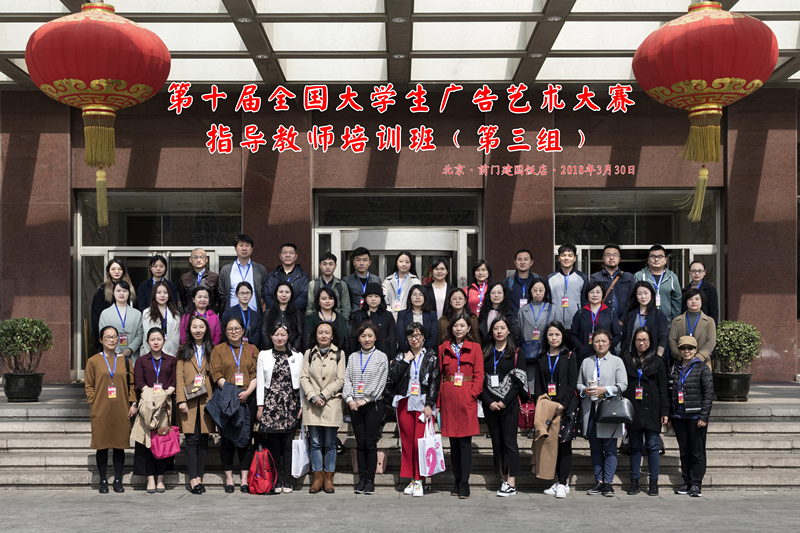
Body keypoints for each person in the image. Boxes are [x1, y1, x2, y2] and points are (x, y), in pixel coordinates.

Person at [387, 321, 439, 498]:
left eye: (417, 335)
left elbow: (434, 382)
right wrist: (405, 361)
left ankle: (420, 480)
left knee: (420, 443)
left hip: (423, 403)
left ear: (423, 336)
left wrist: (430, 404)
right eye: (411, 336)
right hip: (405, 401)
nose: (414, 339)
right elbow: (393, 377)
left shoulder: (431, 356)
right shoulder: (401, 355)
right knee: (407, 444)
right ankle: (411, 479)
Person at [85, 325, 137, 494]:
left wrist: (133, 404)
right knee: (101, 445)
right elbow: (89, 386)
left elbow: (132, 384)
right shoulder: (93, 361)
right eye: (107, 337)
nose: (112, 340)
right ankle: (103, 480)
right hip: (101, 409)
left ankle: (118, 480)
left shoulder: (125, 361)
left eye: (114, 337)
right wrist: (93, 403)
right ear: (101, 340)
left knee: (119, 445)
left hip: (121, 408)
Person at [437, 312, 484, 499]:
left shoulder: (475, 347)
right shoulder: (443, 348)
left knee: (465, 443)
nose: (459, 329)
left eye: (462, 325)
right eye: (456, 326)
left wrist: (473, 394)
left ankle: (465, 482)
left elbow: (479, 374)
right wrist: (438, 401)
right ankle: (456, 481)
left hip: (466, 396)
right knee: (453, 444)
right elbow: (439, 375)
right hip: (448, 397)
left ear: (468, 328)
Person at [209, 316, 258, 493]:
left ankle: (244, 480)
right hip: (227, 398)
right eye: (230, 329)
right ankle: (229, 480)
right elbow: (216, 374)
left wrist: (247, 393)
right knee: (227, 439)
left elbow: (256, 374)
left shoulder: (252, 349)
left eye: (237, 328)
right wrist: (232, 392)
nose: (234, 332)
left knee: (246, 439)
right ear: (225, 332)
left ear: (243, 330)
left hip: (248, 397)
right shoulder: (218, 350)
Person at [577, 329, 627, 497]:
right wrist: (584, 390)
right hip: (590, 409)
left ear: (610, 343)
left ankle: (608, 483)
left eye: (603, 341)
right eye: (597, 341)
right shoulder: (586, 362)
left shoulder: (617, 361)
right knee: (595, 447)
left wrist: (604, 389)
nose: (600, 344)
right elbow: (578, 383)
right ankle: (598, 480)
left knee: (610, 447)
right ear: (592, 343)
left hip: (609, 409)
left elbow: (623, 385)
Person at [480, 316, 526, 497]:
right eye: (495, 328)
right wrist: (489, 401)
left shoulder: (517, 353)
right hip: (490, 405)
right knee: (496, 442)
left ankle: (511, 482)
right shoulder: (485, 352)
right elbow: (480, 380)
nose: (499, 331)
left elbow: (518, 382)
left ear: (508, 331)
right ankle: (503, 476)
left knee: (509, 442)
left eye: (502, 328)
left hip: (509, 404)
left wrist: (504, 401)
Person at [256, 323, 303, 494]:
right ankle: (276, 480)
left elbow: (302, 382)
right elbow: (260, 381)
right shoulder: (264, 355)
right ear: (270, 336)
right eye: (276, 334)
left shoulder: (297, 356)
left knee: (288, 444)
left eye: (283, 334)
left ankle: (288, 480)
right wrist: (260, 406)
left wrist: (302, 405)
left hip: (290, 403)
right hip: (271, 404)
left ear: (288, 336)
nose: (280, 338)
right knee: (274, 445)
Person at [622, 327, 669, 496]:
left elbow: (663, 388)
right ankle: (634, 481)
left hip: (653, 409)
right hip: (633, 408)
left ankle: (653, 482)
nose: (641, 343)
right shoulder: (627, 359)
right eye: (638, 340)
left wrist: (665, 411)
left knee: (653, 446)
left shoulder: (658, 361)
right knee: (634, 446)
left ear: (650, 342)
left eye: (644, 340)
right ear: (634, 342)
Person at [533, 321, 578, 499]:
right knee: (551, 445)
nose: (554, 338)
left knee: (564, 445)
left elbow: (572, 382)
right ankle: (558, 482)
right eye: (550, 334)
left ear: (563, 336)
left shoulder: (569, 356)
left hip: (565, 408)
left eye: (557, 334)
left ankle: (563, 483)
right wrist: (543, 404)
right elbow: (538, 385)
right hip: (548, 408)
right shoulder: (541, 358)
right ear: (546, 337)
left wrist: (562, 404)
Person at [344, 321, 389, 495]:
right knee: (360, 443)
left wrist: (365, 399)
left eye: (370, 335)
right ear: (359, 338)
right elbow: (348, 378)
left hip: (373, 405)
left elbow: (380, 382)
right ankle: (361, 480)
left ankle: (370, 480)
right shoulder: (353, 357)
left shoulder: (381, 357)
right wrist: (349, 399)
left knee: (370, 443)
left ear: (375, 337)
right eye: (363, 336)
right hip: (355, 405)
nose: (367, 339)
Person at [301, 322, 346, 494]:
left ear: (332, 335)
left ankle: (328, 479)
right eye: (320, 332)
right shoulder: (309, 353)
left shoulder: (340, 354)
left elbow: (340, 380)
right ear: (316, 335)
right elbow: (304, 377)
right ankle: (317, 478)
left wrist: (324, 395)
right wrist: (313, 396)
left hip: (331, 403)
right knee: (315, 442)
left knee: (330, 443)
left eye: (327, 332)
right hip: (312, 404)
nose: (324, 335)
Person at [132, 328, 177, 494]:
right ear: (147, 342)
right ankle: (150, 478)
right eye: (152, 339)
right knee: (147, 443)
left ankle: (160, 479)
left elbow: (174, 382)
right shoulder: (141, 361)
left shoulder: (171, 360)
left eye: (159, 339)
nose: (156, 342)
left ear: (164, 340)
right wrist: (153, 397)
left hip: (165, 406)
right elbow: (139, 382)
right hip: (147, 405)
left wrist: (163, 396)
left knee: (162, 442)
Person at [669, 336, 714, 497]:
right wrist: (670, 415)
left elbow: (709, 393)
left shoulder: (702, 368)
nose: (686, 351)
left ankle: (696, 483)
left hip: (696, 417)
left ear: (695, 350)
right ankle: (686, 481)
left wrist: (704, 416)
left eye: (690, 348)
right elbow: (670, 392)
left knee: (697, 452)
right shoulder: (674, 368)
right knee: (684, 451)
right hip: (679, 416)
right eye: (683, 348)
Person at [176, 315, 215, 494]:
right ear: (189, 330)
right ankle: (193, 480)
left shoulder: (212, 350)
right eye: (194, 327)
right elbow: (179, 378)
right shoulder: (183, 351)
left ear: (206, 329)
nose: (198, 330)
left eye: (201, 327)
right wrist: (180, 400)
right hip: (189, 400)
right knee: (191, 440)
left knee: (204, 440)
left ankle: (199, 477)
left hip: (207, 400)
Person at [569, 280, 622, 364]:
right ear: (587, 294)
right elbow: (573, 334)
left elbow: (617, 335)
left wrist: (606, 346)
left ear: (602, 294)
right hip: (584, 354)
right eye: (592, 292)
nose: (595, 295)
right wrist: (581, 347)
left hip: (605, 354)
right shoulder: (580, 313)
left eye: (598, 292)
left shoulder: (610, 313)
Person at [90, 259, 137, 349]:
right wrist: (99, 338)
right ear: (108, 272)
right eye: (113, 269)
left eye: (119, 269)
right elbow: (96, 315)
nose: (116, 271)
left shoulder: (130, 288)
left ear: (123, 271)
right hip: (109, 337)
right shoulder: (102, 289)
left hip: (129, 338)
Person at [218, 234, 268, 314]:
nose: (244, 248)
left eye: (247, 246)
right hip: (232, 315)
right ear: (235, 248)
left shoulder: (260, 269)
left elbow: (264, 292)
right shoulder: (226, 270)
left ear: (252, 249)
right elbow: (222, 293)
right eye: (241, 245)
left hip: (254, 314)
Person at [669, 288, 717, 371]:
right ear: (686, 301)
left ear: (702, 301)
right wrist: (680, 356)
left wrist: (698, 357)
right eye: (690, 299)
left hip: (702, 363)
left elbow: (711, 341)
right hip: (681, 363)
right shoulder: (676, 321)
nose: (693, 301)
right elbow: (672, 340)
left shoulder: (709, 321)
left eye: (697, 299)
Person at [633, 245, 682, 323]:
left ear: (665, 260)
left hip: (666, 322)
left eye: (660, 257)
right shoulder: (639, 276)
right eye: (653, 256)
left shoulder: (672, 277)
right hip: (644, 321)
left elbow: (677, 299)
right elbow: (633, 298)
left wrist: (674, 319)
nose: (656, 259)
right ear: (648, 259)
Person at [98, 281, 144, 364]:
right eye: (118, 291)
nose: (121, 293)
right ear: (113, 293)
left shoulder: (137, 314)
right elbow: (103, 334)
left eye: (125, 291)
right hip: (112, 354)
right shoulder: (105, 313)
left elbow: (140, 334)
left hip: (133, 356)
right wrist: (117, 351)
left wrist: (130, 349)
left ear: (129, 293)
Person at [621, 281, 669, 359]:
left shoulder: (659, 315)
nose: (643, 297)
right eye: (639, 294)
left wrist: (658, 357)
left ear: (651, 294)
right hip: (631, 357)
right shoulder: (630, 315)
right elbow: (624, 337)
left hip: (652, 357)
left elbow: (663, 338)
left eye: (646, 293)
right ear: (636, 296)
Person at [518, 278, 552, 386]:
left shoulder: (553, 309)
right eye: (535, 290)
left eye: (541, 290)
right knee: (529, 385)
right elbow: (519, 331)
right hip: (528, 353)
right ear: (530, 291)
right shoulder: (523, 310)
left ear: (545, 291)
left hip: (547, 352)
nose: (538, 293)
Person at [590, 243, 634, 326]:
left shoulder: (629, 277)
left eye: (615, 255)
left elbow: (632, 301)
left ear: (619, 258)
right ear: (603, 258)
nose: (611, 258)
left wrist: (623, 320)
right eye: (608, 255)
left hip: (624, 323)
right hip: (602, 322)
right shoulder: (595, 277)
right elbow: (591, 300)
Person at [546, 244, 589, 329]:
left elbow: (585, 302)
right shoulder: (550, 278)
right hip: (555, 324)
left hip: (576, 324)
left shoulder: (582, 278)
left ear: (574, 258)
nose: (566, 258)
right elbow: (547, 301)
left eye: (570, 255)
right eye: (563, 255)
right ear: (559, 258)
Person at [348, 283, 396, 358]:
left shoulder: (388, 315)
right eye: (370, 296)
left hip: (382, 354)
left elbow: (392, 338)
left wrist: (392, 358)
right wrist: (352, 356)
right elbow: (353, 339)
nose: (373, 299)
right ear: (365, 298)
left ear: (381, 298)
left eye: (376, 296)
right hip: (361, 354)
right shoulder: (357, 316)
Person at [263, 242, 310, 312]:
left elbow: (303, 298)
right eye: (284, 253)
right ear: (280, 256)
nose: (287, 255)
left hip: (296, 315)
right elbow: (268, 297)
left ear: (296, 256)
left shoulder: (303, 276)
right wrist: (279, 312)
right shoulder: (272, 276)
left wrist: (288, 312)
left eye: (291, 253)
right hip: (274, 315)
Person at [140, 280, 181, 357]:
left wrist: (165, 351)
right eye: (158, 293)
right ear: (154, 294)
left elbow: (176, 336)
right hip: (151, 353)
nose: (162, 295)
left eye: (165, 293)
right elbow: (147, 335)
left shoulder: (176, 314)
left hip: (171, 354)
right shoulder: (147, 313)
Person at [306, 252, 351, 320]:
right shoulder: (313, 284)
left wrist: (341, 322)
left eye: (331, 264)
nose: (327, 267)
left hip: (337, 322)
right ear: (320, 265)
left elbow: (346, 308)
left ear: (335, 266)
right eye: (324, 264)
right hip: (317, 322)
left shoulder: (341, 284)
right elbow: (310, 307)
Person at [478, 282, 521, 348]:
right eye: (493, 293)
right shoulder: (484, 312)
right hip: (486, 349)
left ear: (504, 295)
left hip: (505, 349)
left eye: (499, 292)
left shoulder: (510, 313)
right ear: (489, 295)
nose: (496, 295)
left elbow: (515, 335)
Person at [396, 285, 438, 353]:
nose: (417, 297)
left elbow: (434, 336)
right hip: (406, 352)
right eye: (414, 295)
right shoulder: (402, 314)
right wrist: (411, 352)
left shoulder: (432, 314)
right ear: (410, 297)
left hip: (427, 352)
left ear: (425, 297)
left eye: (420, 295)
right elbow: (401, 337)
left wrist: (423, 352)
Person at [305, 287, 348, 354]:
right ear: (318, 301)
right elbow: (307, 342)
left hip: (337, 356)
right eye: (324, 299)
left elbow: (345, 342)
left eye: (330, 298)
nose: (327, 301)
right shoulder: (310, 319)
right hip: (316, 356)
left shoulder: (341, 319)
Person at [221, 281, 262, 347]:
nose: (245, 296)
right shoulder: (228, 313)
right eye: (242, 293)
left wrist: (248, 345)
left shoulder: (256, 316)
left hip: (251, 349)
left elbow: (258, 335)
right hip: (232, 348)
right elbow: (225, 332)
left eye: (247, 293)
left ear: (251, 295)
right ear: (236, 295)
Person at [343, 247, 381, 315]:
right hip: (354, 316)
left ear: (369, 262)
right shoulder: (347, 281)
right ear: (354, 262)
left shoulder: (376, 280)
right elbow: (345, 304)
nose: (361, 263)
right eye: (358, 260)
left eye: (365, 260)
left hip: (373, 315)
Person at [382, 251, 421, 316]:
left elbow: (417, 302)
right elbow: (384, 300)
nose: (404, 264)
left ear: (411, 264)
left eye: (407, 262)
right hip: (390, 316)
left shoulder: (415, 281)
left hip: (409, 317)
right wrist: (390, 314)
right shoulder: (388, 281)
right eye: (401, 261)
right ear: (396, 263)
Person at [682, 260, 720, 327]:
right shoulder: (685, 290)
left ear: (704, 272)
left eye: (699, 271)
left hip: (705, 326)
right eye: (693, 271)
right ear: (689, 272)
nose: (696, 273)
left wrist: (713, 329)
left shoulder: (710, 290)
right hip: (688, 325)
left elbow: (714, 312)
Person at [504, 249, 540, 314]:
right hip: (513, 318)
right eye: (519, 259)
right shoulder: (508, 281)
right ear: (515, 262)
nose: (522, 262)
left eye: (526, 259)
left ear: (531, 262)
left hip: (534, 318)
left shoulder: (538, 280)